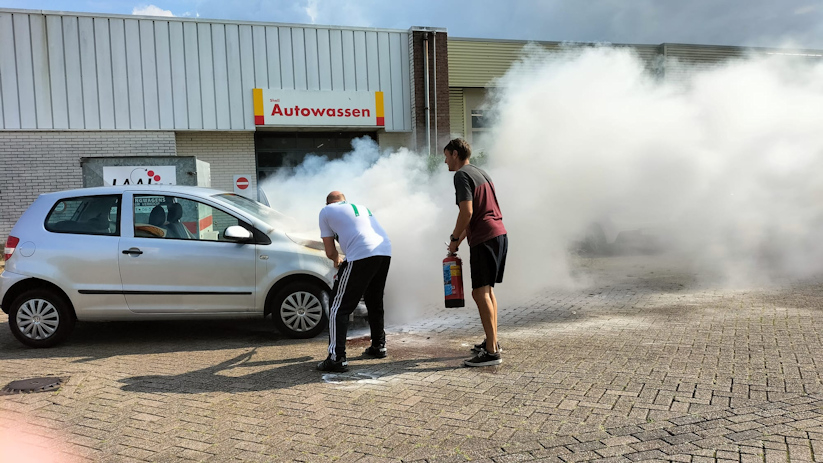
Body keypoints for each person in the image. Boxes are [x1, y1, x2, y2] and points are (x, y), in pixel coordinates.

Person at [444, 138, 508, 367]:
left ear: (454, 153)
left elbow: (467, 212)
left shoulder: (461, 175)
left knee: (479, 293)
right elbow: (477, 213)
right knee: (487, 291)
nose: (445, 161)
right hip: (498, 233)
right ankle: (493, 341)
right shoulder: (481, 173)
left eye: (446, 156)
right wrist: (457, 243)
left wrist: (453, 237)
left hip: (484, 238)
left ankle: (491, 352)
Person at [317, 191, 392, 372]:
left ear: (329, 202)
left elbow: (329, 250)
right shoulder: (360, 207)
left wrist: (336, 260)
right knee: (374, 301)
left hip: (361, 254)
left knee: (338, 307)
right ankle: (378, 346)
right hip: (384, 250)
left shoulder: (325, 211)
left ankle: (336, 358)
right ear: (344, 200)